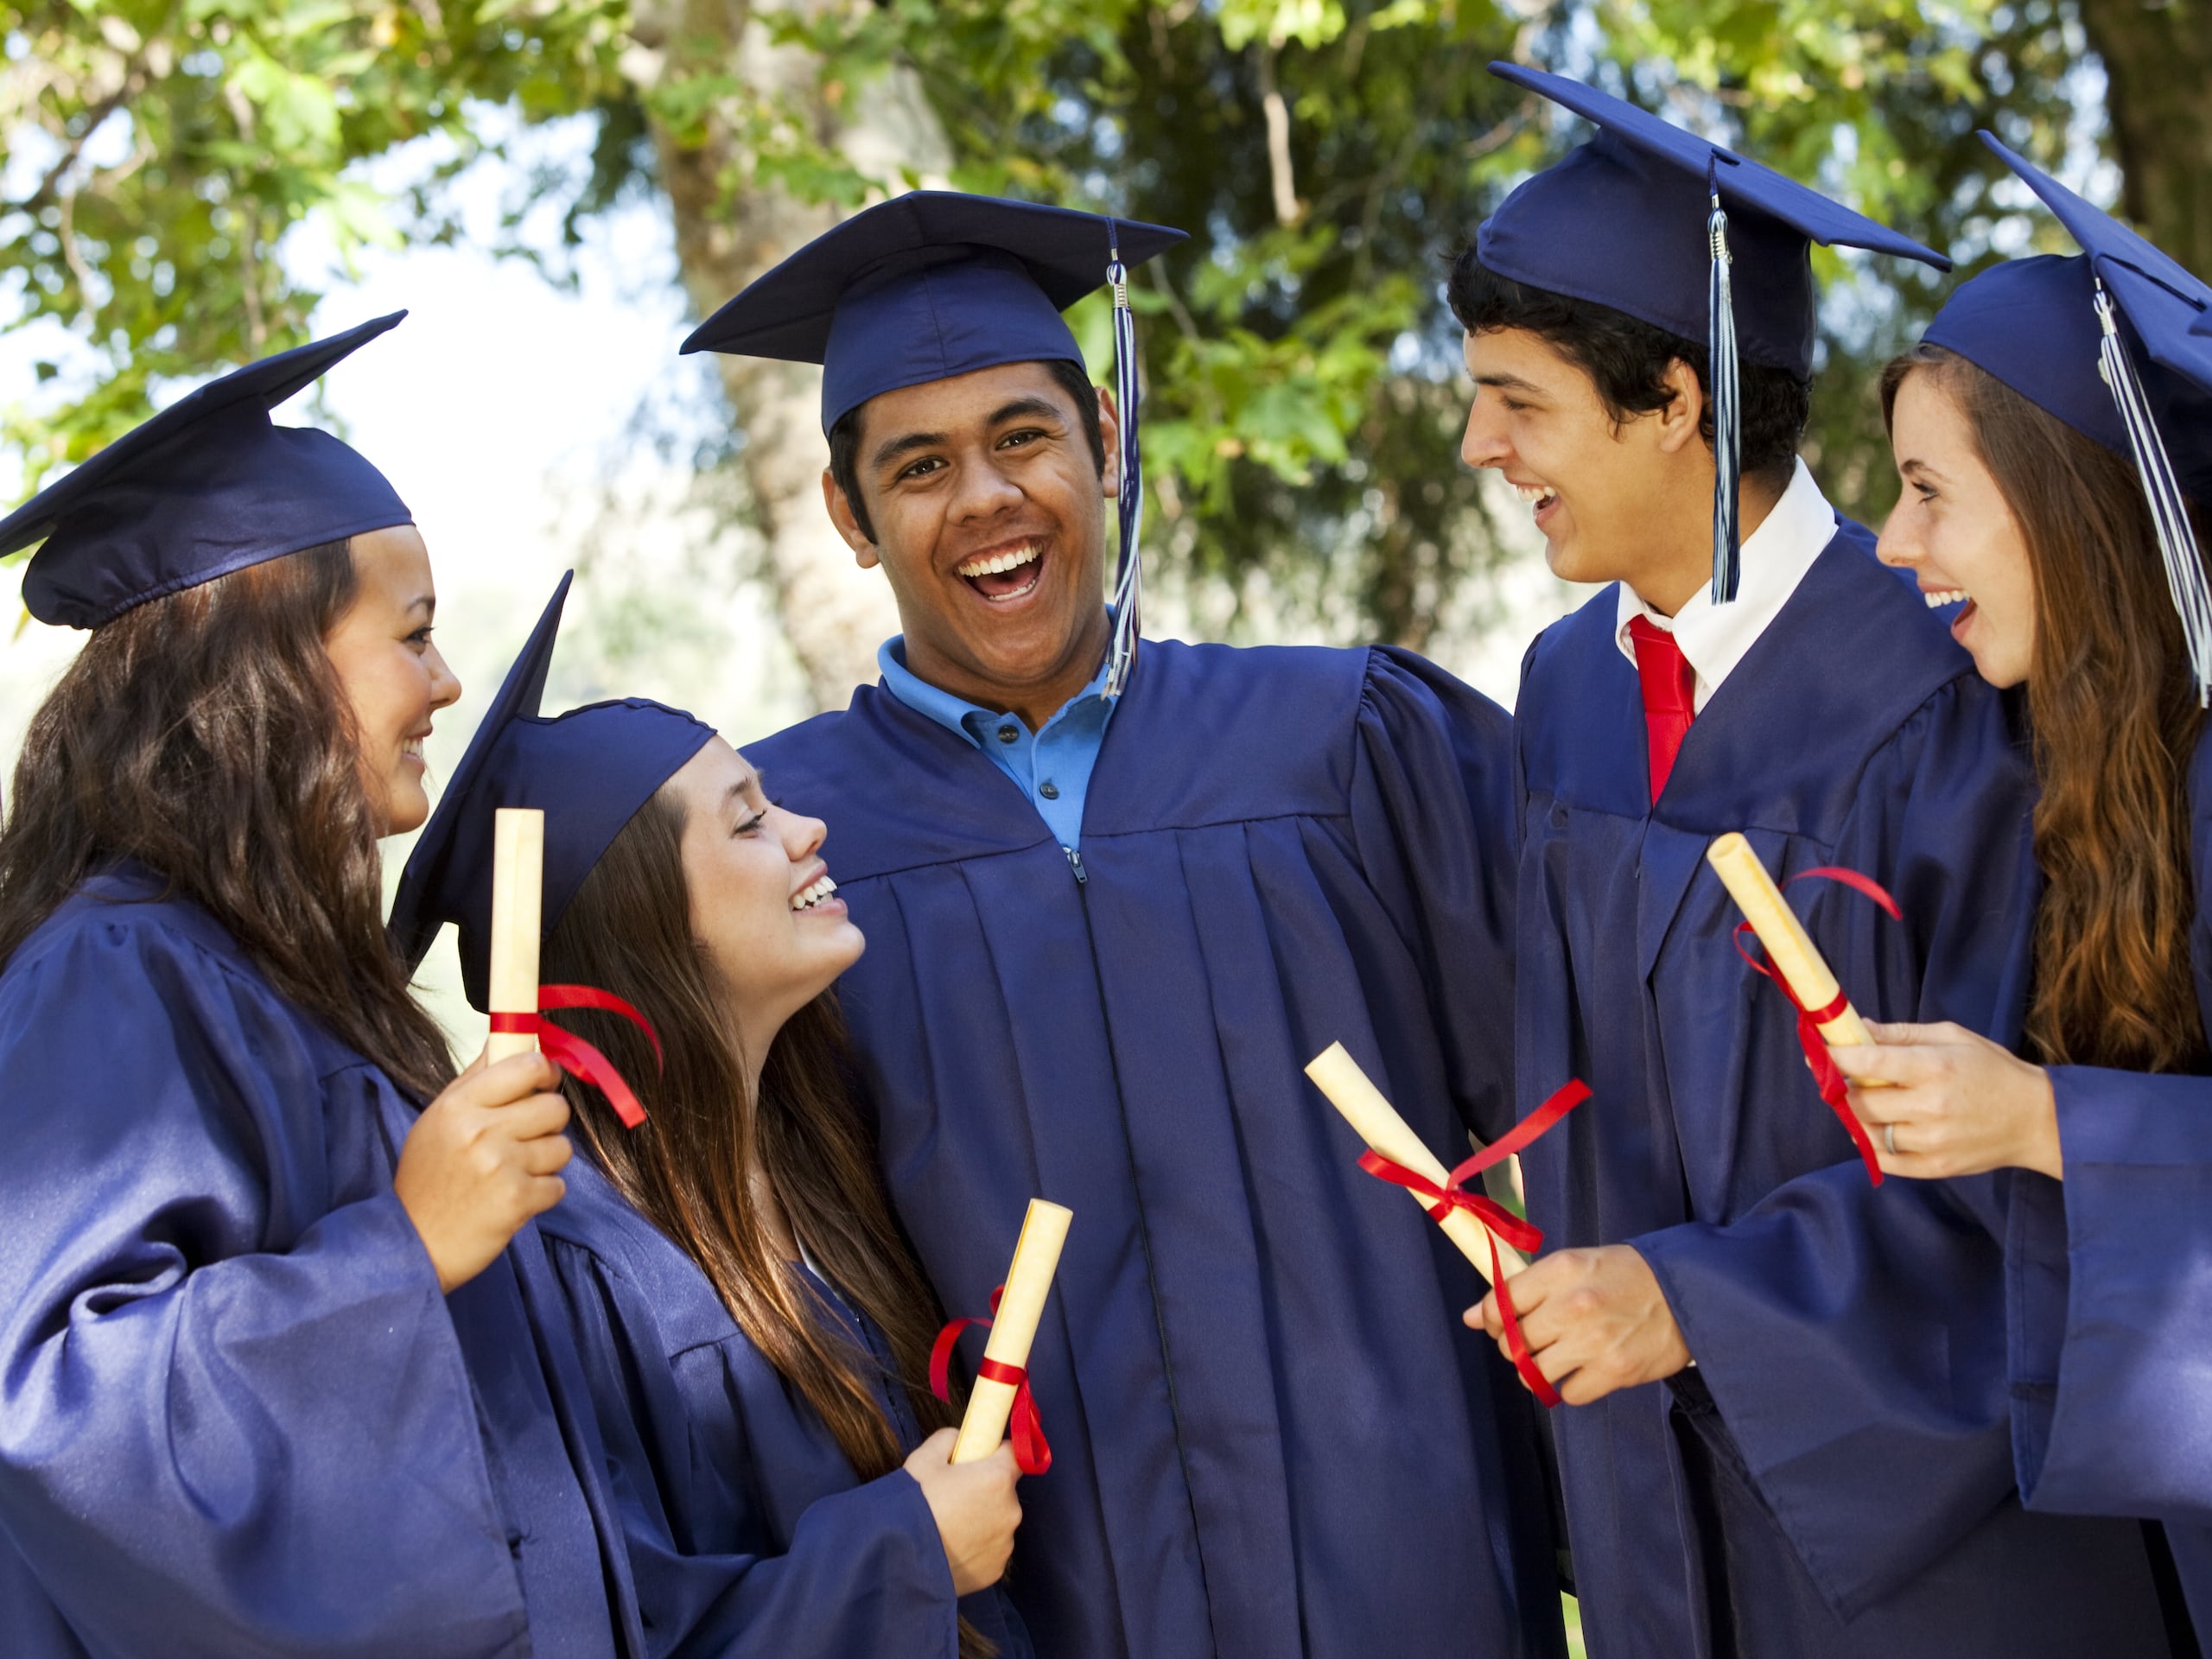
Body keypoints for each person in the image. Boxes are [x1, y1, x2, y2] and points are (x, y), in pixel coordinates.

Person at [682, 192, 1566, 1656]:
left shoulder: (1341, 742)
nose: (985, 496)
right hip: (1034, 1599)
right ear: (848, 514)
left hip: (1403, 1567)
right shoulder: (779, 845)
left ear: (1105, 438)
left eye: (1023, 436)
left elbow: (1592, 1091)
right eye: (919, 466)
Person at [1452, 65, 2173, 1657]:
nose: (1478, 444)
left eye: (1518, 400)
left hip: (1934, 1554)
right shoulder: (1564, 687)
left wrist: (1698, 1303)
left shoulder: (1954, 681)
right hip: (1661, 1518)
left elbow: (2033, 1173)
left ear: (1674, 399)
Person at [0, 318, 643, 1656]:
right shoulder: (114, 972)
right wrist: (407, 1244)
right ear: (270, 666)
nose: (447, 682)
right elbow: (56, 1415)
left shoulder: (274, 974)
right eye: (413, 635)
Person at [388, 574, 1033, 1659]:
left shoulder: (814, 1161)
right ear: (643, 917)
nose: (807, 829)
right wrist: (907, 1555)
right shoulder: (562, 1265)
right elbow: (611, 1628)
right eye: (750, 821)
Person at [1830, 131, 2212, 1645]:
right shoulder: (2100, 769)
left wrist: (2040, 1119)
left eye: (1930, 490)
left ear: (2064, 502)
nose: (1892, 541)